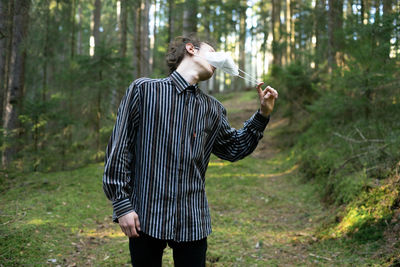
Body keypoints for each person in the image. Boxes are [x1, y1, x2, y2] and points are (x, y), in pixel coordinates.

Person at [102, 36, 278, 267]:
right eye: (212, 51)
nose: (218, 60)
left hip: (192, 219)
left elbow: (234, 148)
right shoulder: (144, 90)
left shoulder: (212, 109)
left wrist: (263, 114)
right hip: (145, 214)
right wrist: (122, 204)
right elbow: (119, 148)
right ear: (191, 49)